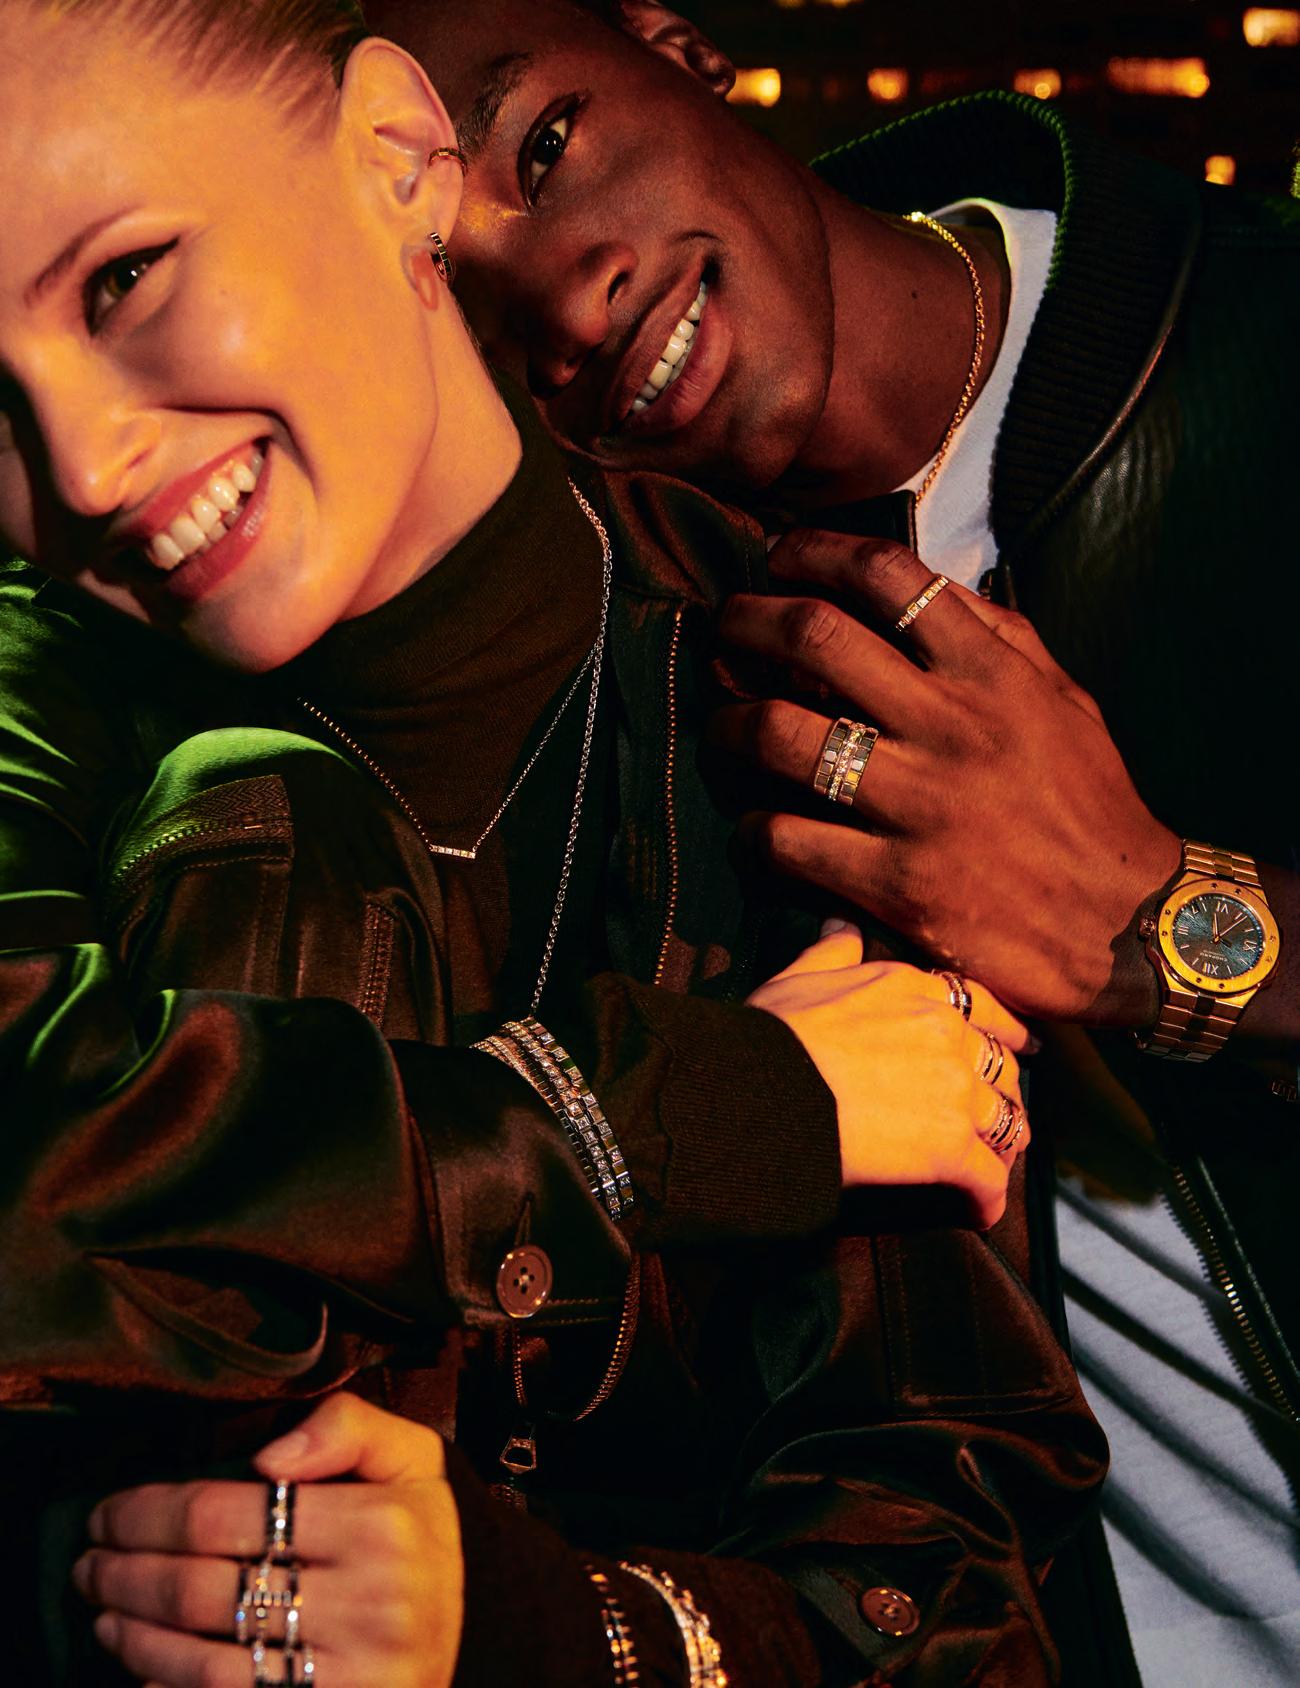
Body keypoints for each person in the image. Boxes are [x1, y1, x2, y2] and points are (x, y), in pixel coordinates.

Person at [0, 2, 1104, 1683]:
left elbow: (945, 1605)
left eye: (124, 280)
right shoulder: (35, 706)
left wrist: (536, 1630)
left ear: (395, 154)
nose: (80, 469)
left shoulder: (795, 719)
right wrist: (655, 1117)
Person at [364, 0, 1300, 1681]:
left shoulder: (1258, 349)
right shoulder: (625, 669)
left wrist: (1168, 925)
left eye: (547, 146)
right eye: (451, 292)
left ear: (678, 52)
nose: (563, 298)